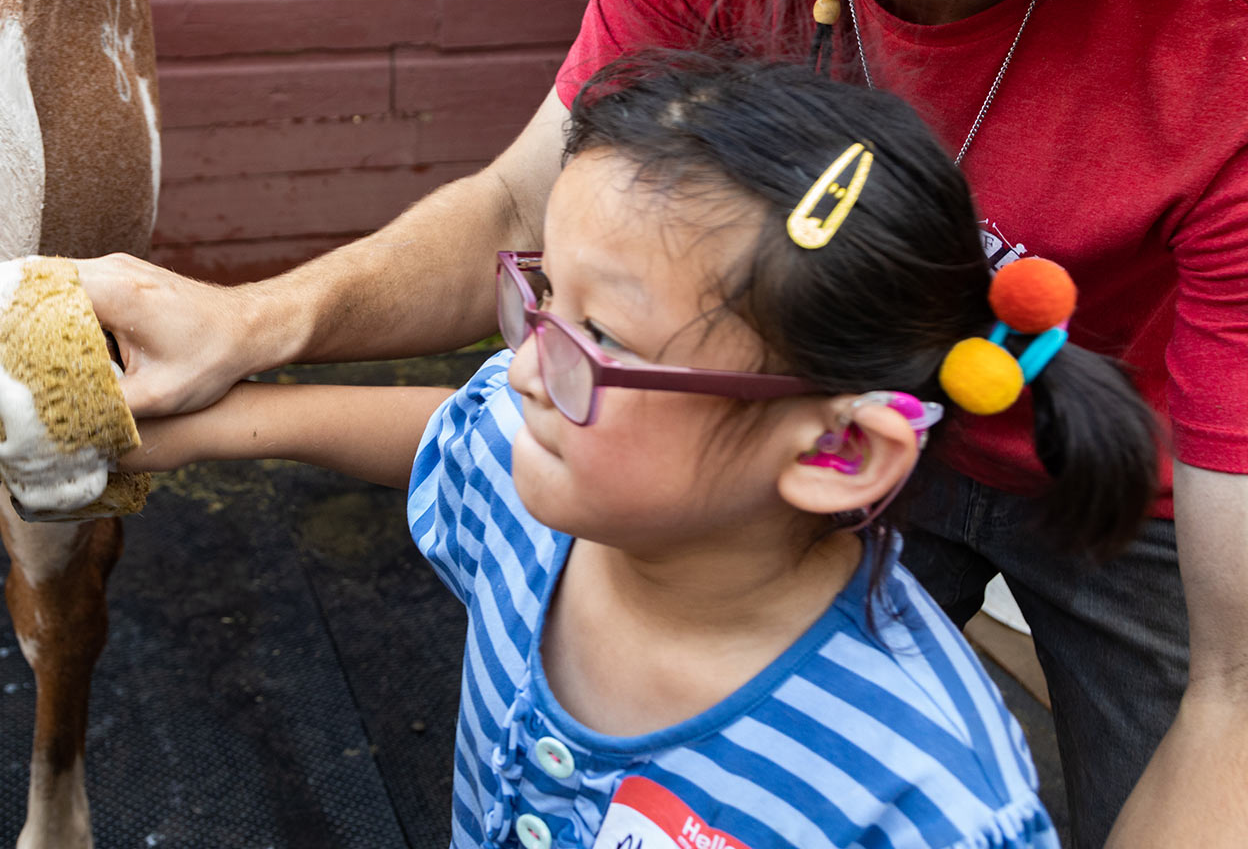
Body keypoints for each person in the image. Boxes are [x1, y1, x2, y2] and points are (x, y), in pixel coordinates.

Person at [79, 0, 1248, 845]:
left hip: (1130, 467)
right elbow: (524, 205)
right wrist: (252, 323)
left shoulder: (1222, 19)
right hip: (795, 407)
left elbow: (1236, 691)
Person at [120, 54, 1160, 849]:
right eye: (541, 301)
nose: (525, 366)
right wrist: (199, 425)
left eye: (602, 338)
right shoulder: (548, 502)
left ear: (839, 446)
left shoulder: (920, 788)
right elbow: (454, 430)